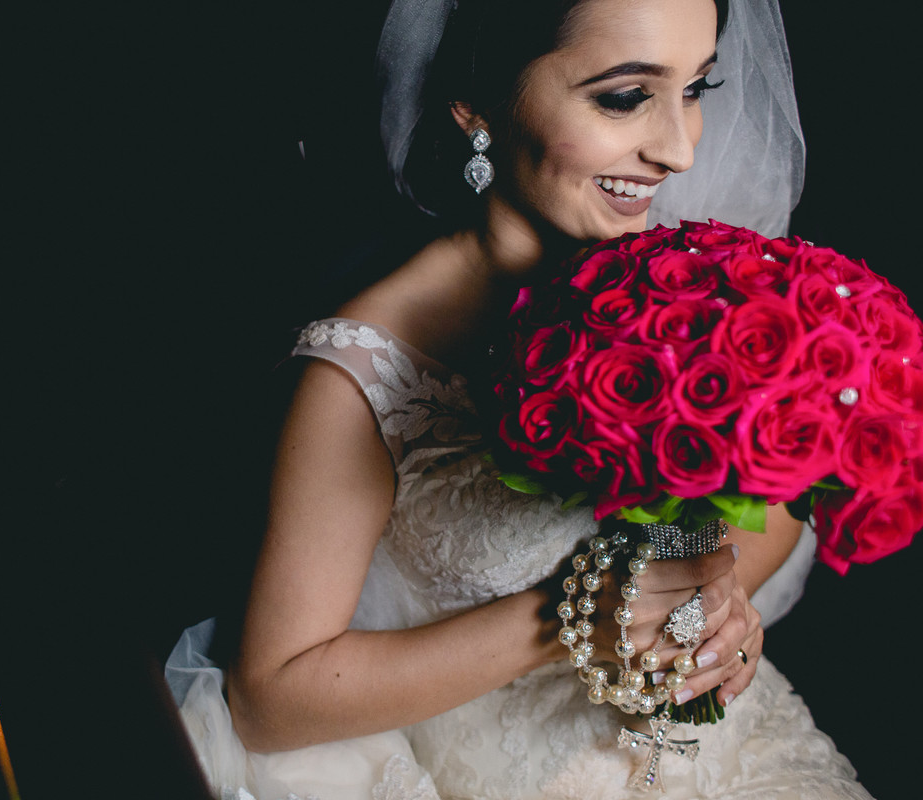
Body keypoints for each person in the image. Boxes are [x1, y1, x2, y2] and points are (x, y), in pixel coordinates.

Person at [166, 1, 871, 797]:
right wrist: (576, 613)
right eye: (623, 97)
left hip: (739, 758)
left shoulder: (700, 288)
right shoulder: (362, 373)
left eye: (697, 87)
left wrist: (716, 600)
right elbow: (270, 700)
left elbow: (774, 500)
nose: (677, 150)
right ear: (477, 105)